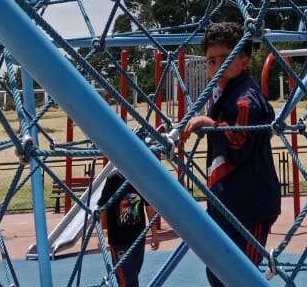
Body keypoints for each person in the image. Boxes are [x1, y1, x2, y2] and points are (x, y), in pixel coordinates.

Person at [181, 22, 281, 285]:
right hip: (227, 203)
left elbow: (238, 146)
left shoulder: (244, 99)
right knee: (217, 273)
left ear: (244, 60)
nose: (218, 66)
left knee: (238, 276)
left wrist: (210, 125)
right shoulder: (225, 96)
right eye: (212, 61)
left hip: (249, 208)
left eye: (226, 59)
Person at [95, 168, 158, 287]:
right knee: (125, 278)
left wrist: (154, 234)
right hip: (119, 239)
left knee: (133, 275)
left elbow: (149, 206)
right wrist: (103, 231)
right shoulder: (113, 178)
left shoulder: (139, 177)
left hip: (138, 237)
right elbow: (104, 206)